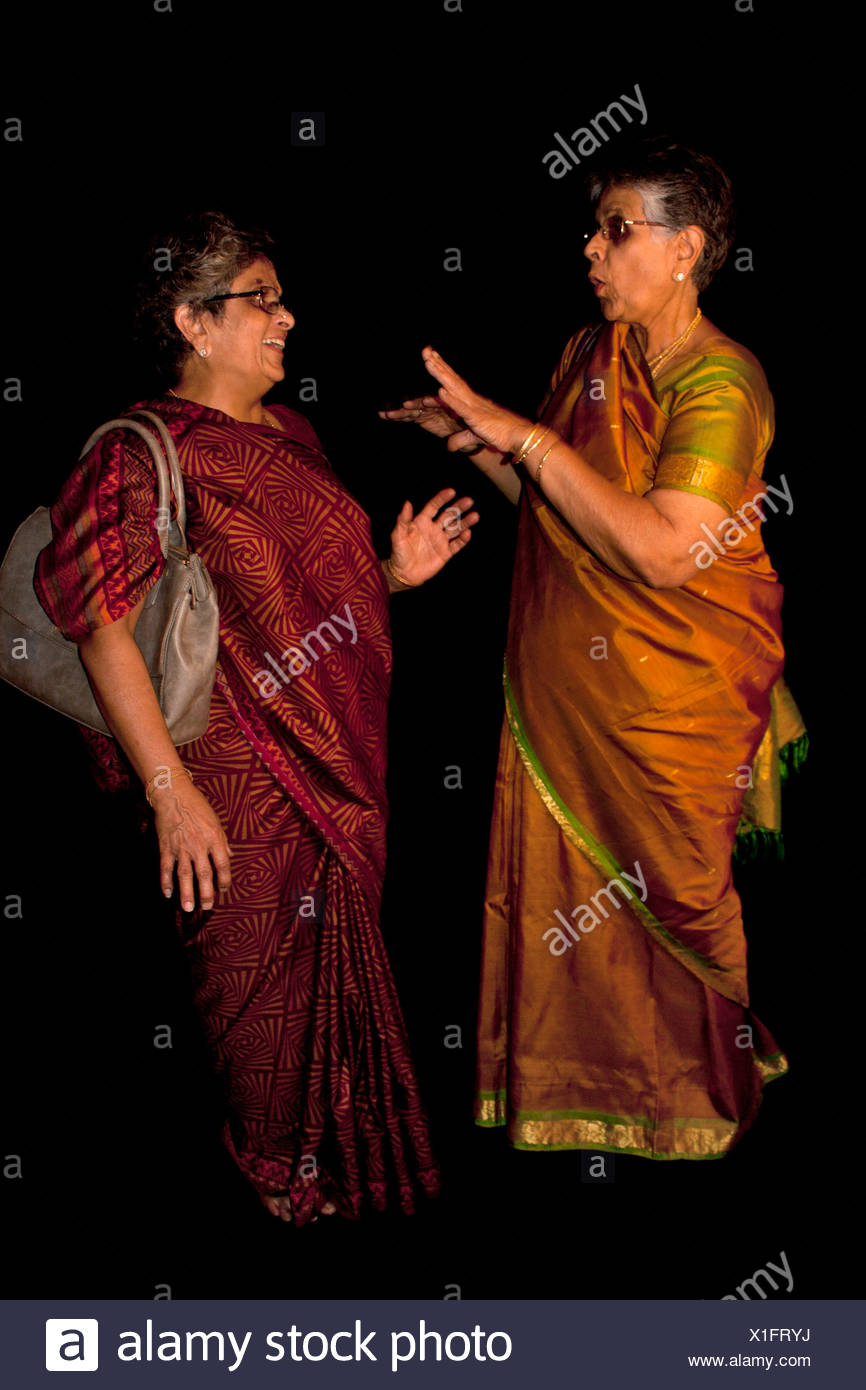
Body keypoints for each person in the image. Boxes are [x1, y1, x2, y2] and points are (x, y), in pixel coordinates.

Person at [34, 211, 478, 1224]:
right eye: (261, 299)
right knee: (257, 1023)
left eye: (279, 297)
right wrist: (170, 793)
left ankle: (342, 1194)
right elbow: (101, 628)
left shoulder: (292, 434)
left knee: (334, 997)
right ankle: (274, 1204)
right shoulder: (139, 454)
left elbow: (290, 607)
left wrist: (393, 576)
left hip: (337, 771)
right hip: (230, 790)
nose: (287, 316)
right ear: (193, 321)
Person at [381, 139, 806, 1160]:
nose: (590, 249)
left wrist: (525, 439)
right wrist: (481, 444)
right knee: (566, 925)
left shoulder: (721, 381)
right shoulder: (587, 358)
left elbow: (662, 551)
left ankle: (689, 1110)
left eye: (615, 229)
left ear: (685, 249)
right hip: (563, 715)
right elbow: (564, 512)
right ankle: (578, 1100)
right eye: (594, 228)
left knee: (670, 915)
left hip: (666, 717)